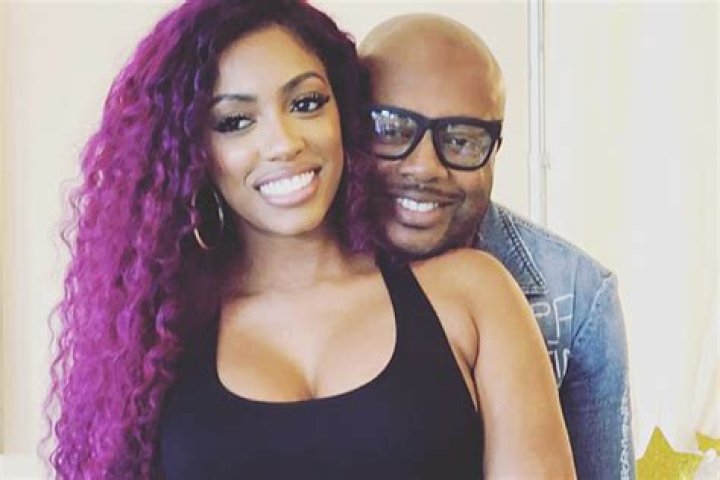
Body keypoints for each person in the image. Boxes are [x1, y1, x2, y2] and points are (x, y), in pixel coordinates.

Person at [47, 1, 574, 478]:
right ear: (192, 151)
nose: (283, 143)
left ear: (344, 113)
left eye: (305, 103)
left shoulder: (472, 294)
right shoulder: (154, 337)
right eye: (235, 121)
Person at [360, 13, 634, 480]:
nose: (425, 166)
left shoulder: (577, 295)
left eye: (462, 140)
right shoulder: (294, 273)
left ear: (495, 148)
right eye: (391, 129)